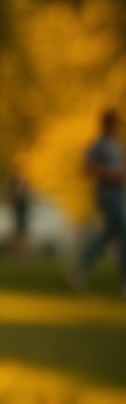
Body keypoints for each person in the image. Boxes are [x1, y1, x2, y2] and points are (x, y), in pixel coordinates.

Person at [70, 108, 125, 295]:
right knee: (123, 232)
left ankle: (79, 268)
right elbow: (85, 167)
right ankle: (123, 282)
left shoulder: (116, 144)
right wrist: (111, 174)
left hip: (118, 193)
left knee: (106, 236)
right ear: (108, 124)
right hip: (107, 194)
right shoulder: (99, 145)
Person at [7, 161, 32, 262]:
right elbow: (9, 195)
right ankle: (17, 256)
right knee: (17, 233)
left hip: (23, 209)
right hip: (17, 209)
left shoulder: (25, 182)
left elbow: (28, 195)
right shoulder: (12, 182)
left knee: (23, 233)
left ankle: (23, 256)